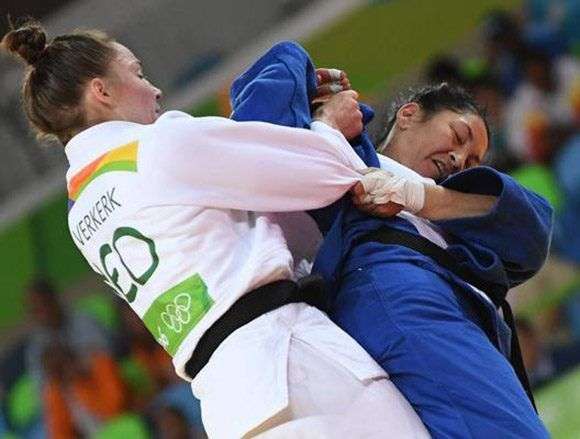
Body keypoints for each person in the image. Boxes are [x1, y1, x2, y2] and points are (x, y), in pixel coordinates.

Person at [1, 22, 429, 438]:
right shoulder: (158, 145)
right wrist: (329, 125)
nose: (155, 90)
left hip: (229, 405)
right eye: (137, 73)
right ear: (102, 91)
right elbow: (329, 172)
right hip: (295, 364)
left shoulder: (81, 213)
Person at [229, 41, 552, 437]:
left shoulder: (453, 215)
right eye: (459, 134)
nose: (460, 158)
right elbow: (255, 123)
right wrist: (303, 73)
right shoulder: (346, 158)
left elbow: (532, 234)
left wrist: (421, 197)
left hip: (445, 313)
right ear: (409, 114)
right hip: (397, 293)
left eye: (472, 162)